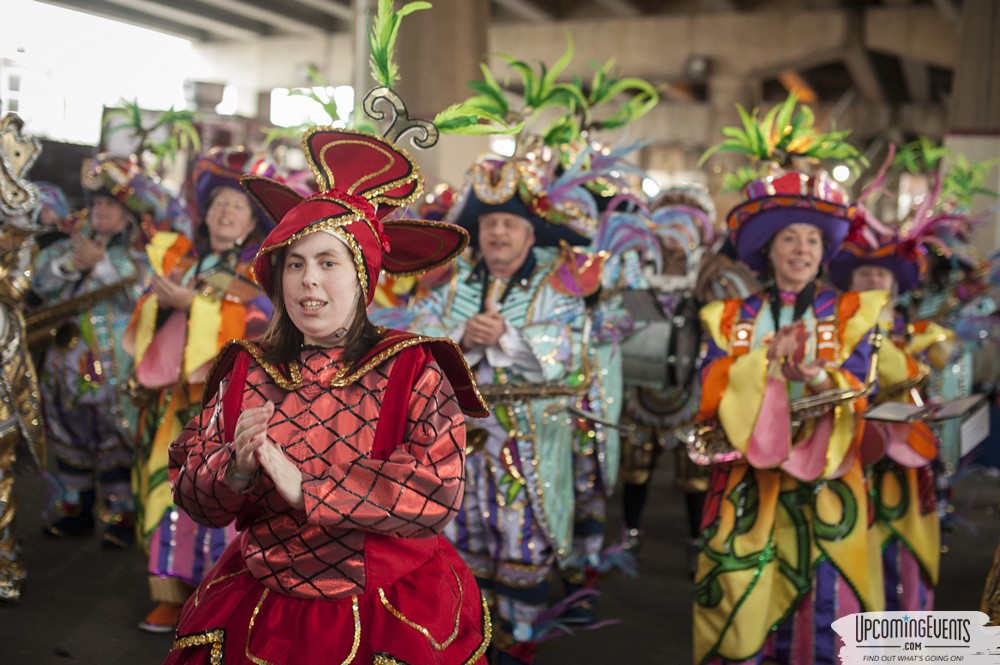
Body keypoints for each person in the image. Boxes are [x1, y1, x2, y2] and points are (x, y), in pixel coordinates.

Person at [164, 127, 491, 664]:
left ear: (362, 278)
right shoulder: (248, 367)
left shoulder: (412, 367)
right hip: (262, 604)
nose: (308, 280)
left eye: (328, 262)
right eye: (295, 263)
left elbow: (438, 488)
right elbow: (192, 491)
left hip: (386, 607)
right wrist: (236, 470)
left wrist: (309, 490)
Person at [690, 164, 886, 664]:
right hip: (745, 481)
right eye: (790, 239)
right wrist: (763, 364)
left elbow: (864, 384)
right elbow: (709, 388)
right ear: (768, 250)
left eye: (812, 242)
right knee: (738, 593)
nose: (801, 250)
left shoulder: (849, 314)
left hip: (827, 480)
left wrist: (818, 377)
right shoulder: (731, 317)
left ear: (824, 253)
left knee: (825, 598)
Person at [409, 155, 596, 664]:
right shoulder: (448, 284)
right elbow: (411, 337)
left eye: (509, 224)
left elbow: (573, 349)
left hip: (525, 439)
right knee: (455, 532)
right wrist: (459, 340)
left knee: (519, 536)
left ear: (530, 235)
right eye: (489, 224)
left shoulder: (556, 287)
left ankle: (518, 641)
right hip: (452, 438)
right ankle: (464, 632)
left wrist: (511, 338)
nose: (497, 234)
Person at [126, 149, 275, 632]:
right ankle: (168, 590)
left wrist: (198, 305)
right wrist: (166, 304)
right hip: (177, 400)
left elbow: (262, 323)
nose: (225, 213)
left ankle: (219, 597)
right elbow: (149, 315)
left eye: (237, 206)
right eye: (218, 204)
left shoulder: (260, 272)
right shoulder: (186, 259)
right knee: (166, 490)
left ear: (252, 220)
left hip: (235, 404)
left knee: (226, 495)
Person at [33, 155, 173, 548]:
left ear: (128, 215)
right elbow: (39, 283)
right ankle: (73, 506)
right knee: (65, 433)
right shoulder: (67, 246)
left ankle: (120, 513)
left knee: (114, 439)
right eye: (96, 204)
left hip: (114, 369)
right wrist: (68, 266)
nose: (100, 211)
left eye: (110, 205)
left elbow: (148, 294)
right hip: (61, 370)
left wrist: (102, 268)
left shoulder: (139, 256)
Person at [828, 196, 957, 613]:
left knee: (901, 554)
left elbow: (923, 369)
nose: (870, 281)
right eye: (863, 273)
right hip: (845, 458)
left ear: (896, 284)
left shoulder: (920, 331)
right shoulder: (830, 331)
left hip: (903, 466)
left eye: (879, 275)